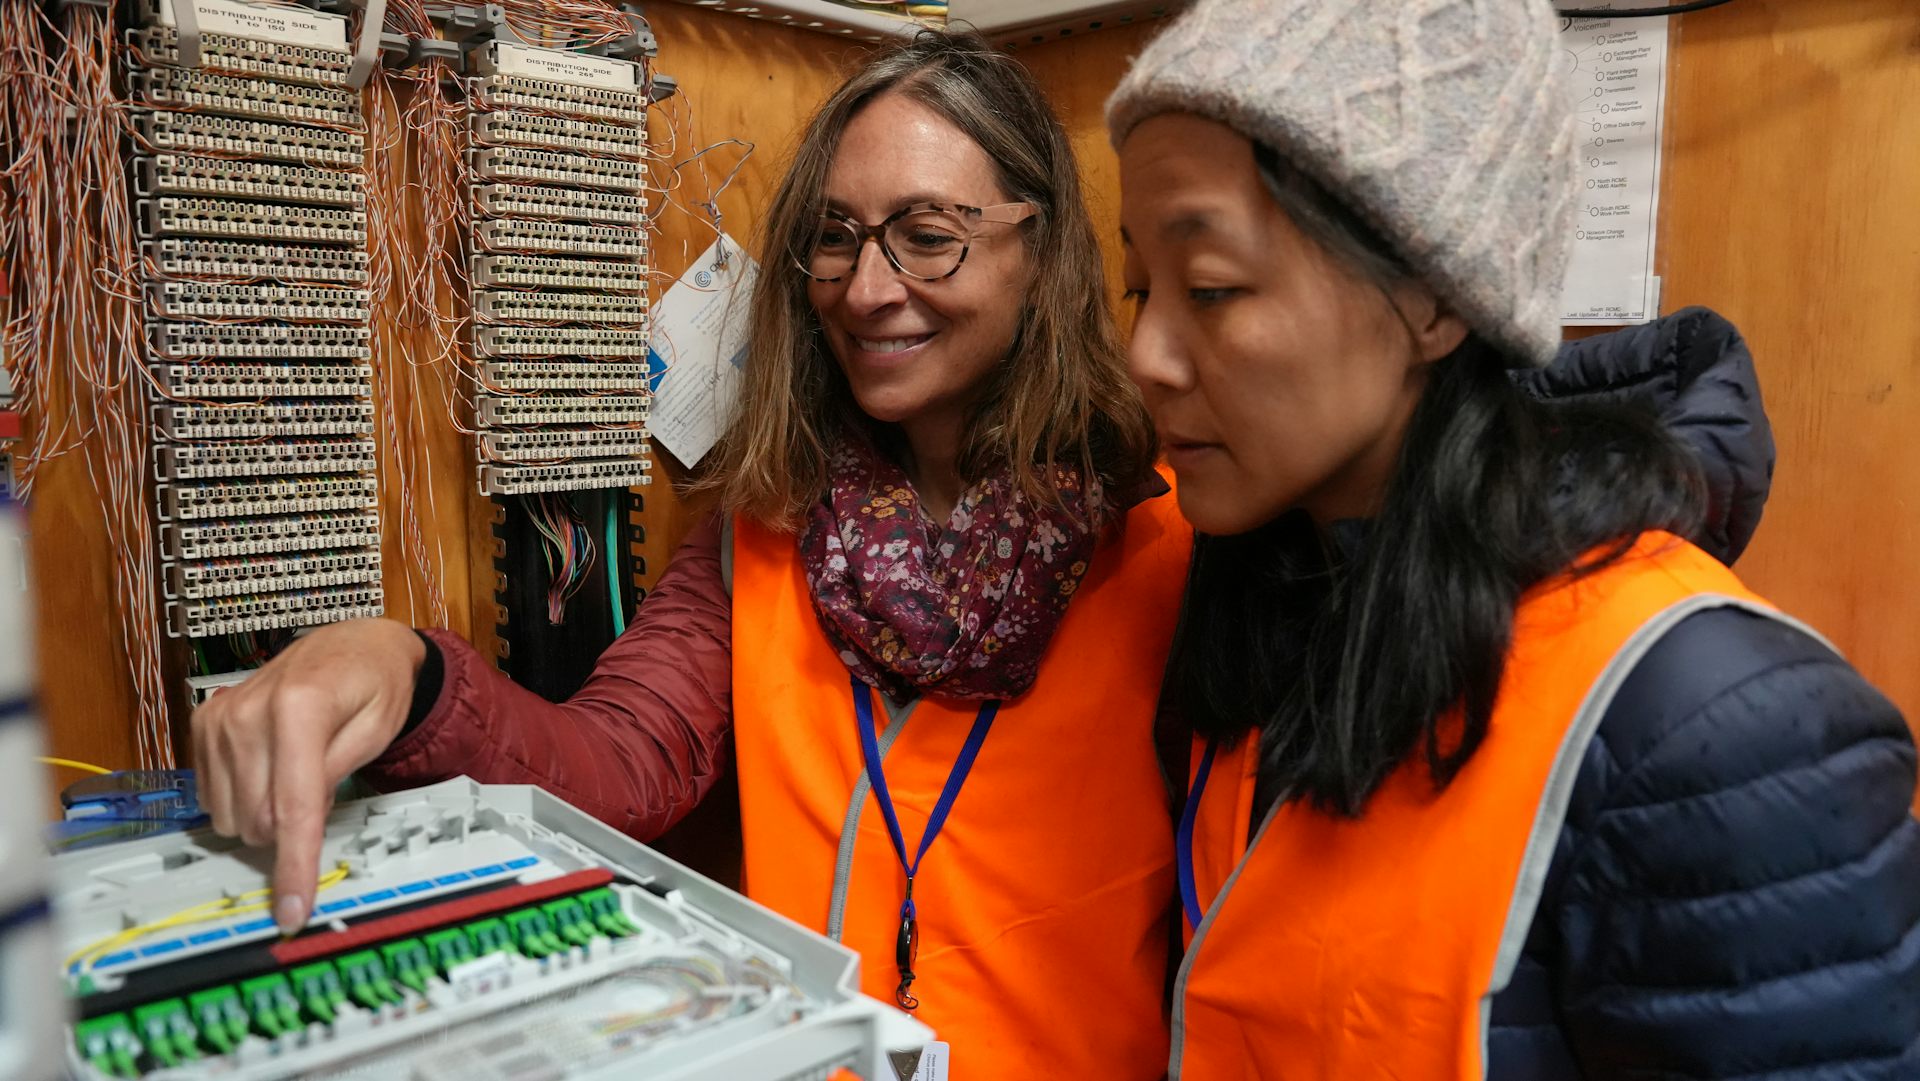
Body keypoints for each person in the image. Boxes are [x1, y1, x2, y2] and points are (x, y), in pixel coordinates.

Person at [191, 31, 1192, 1079]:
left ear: (1042, 249)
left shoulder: (1170, 546)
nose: (864, 288)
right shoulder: (763, 531)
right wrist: (408, 670)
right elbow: (616, 766)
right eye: (835, 236)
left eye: (927, 234)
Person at [1107, 1, 1920, 1078]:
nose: (1147, 355)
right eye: (1137, 287)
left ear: (1436, 300)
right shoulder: (1270, 599)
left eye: (1210, 289)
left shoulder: (1714, 728)